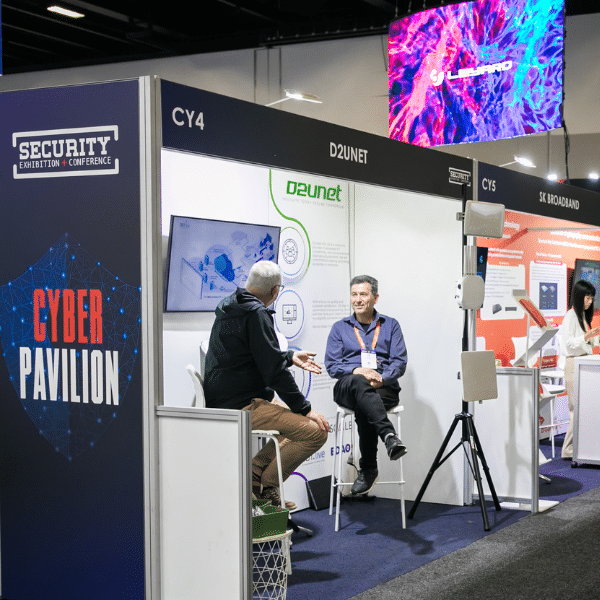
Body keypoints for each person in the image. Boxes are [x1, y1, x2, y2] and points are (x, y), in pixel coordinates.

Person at [204, 260, 329, 508]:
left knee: (291, 422)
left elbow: (257, 356)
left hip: (230, 396)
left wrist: (289, 356)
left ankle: (255, 473)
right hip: (243, 404)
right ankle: (266, 485)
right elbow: (274, 373)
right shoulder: (256, 314)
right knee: (316, 431)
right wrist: (305, 409)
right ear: (275, 291)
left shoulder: (231, 305)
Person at [325, 274, 408, 495]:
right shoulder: (339, 328)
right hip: (347, 387)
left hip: (383, 388)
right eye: (354, 294)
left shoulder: (390, 325)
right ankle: (389, 436)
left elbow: (399, 363)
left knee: (366, 402)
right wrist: (356, 371)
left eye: (363, 294)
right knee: (360, 383)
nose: (358, 299)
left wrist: (381, 378)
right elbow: (332, 366)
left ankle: (369, 468)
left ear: (375, 298)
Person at [560, 279, 600, 459]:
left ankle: (578, 447)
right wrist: (587, 337)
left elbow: (586, 342)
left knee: (582, 409)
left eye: (591, 298)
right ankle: (568, 449)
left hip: (583, 364)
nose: (589, 301)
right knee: (576, 409)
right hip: (573, 365)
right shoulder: (571, 315)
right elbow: (569, 343)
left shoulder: (582, 316)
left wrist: (592, 338)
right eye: (587, 297)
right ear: (578, 296)